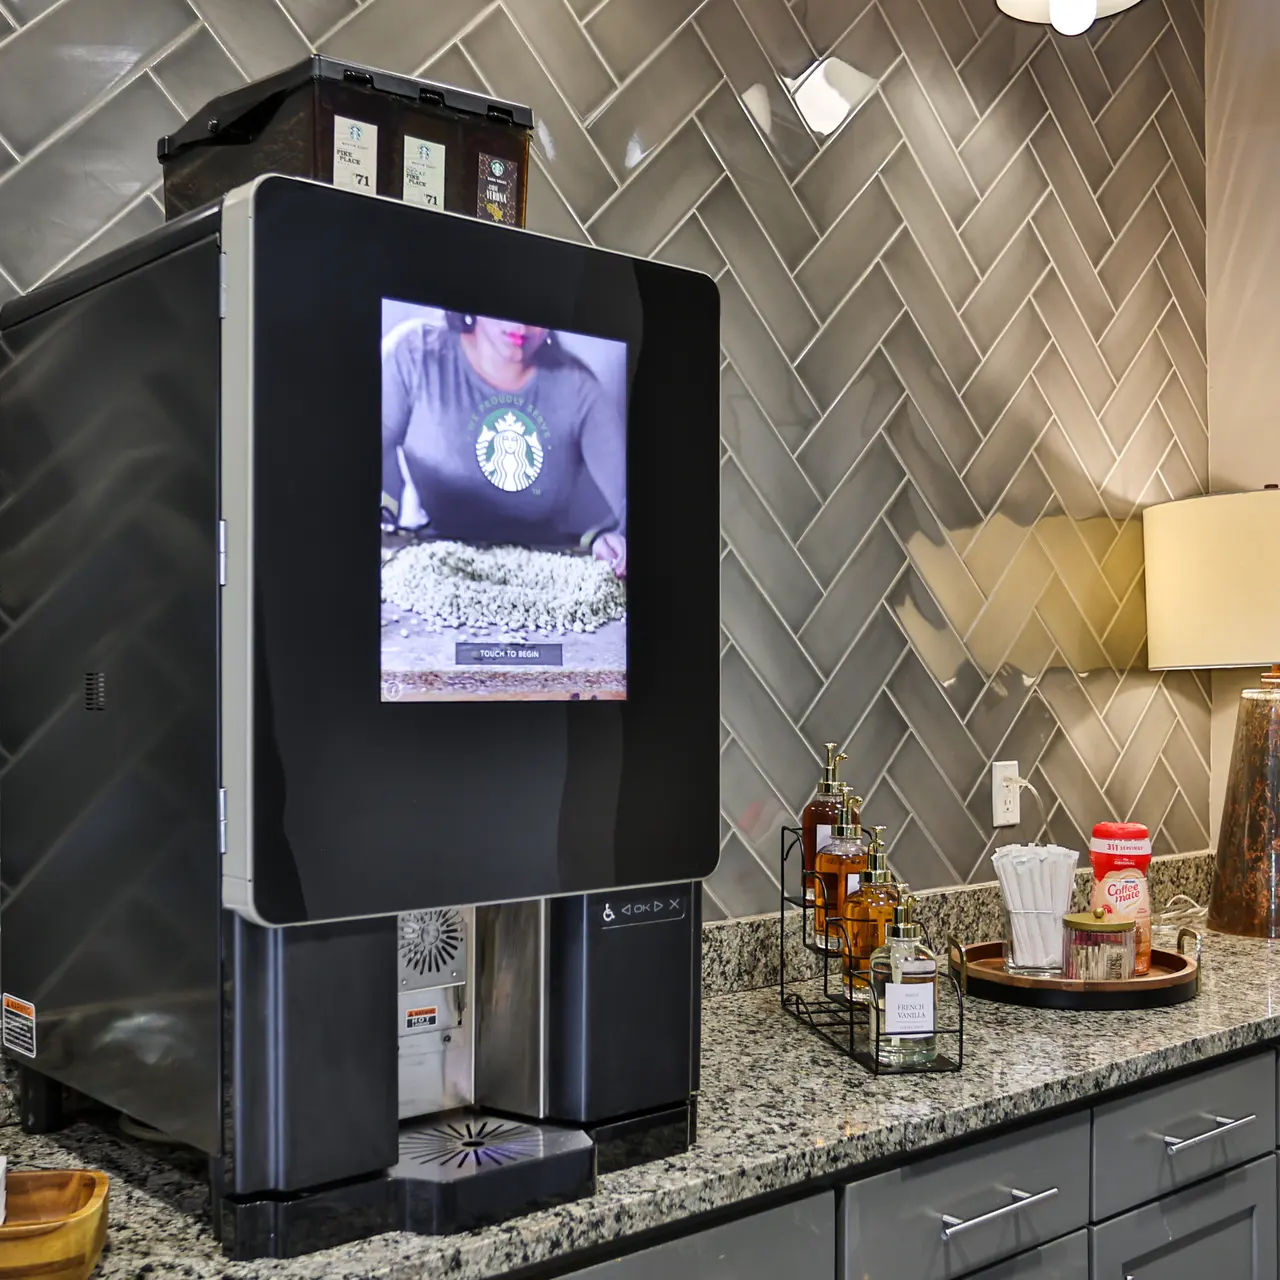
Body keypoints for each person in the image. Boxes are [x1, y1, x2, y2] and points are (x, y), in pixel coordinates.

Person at [382, 310, 626, 577]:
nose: (520, 326)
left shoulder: (578, 388)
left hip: (541, 573)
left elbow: (627, 498)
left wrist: (611, 540)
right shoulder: (414, 354)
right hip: (428, 563)